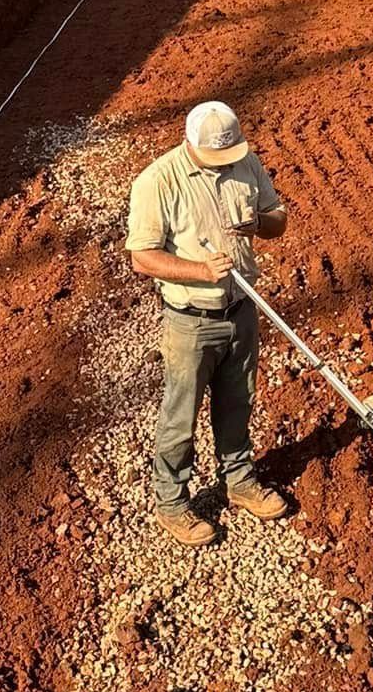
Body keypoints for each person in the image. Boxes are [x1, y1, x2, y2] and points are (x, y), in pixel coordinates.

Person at [125, 100, 293, 547]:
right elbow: (142, 257)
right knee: (181, 414)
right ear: (189, 141)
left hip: (242, 310)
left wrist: (257, 221)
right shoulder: (158, 181)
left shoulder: (245, 161)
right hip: (190, 321)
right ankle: (172, 501)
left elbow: (278, 220)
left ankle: (238, 479)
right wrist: (200, 271)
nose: (226, 163)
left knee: (239, 400)